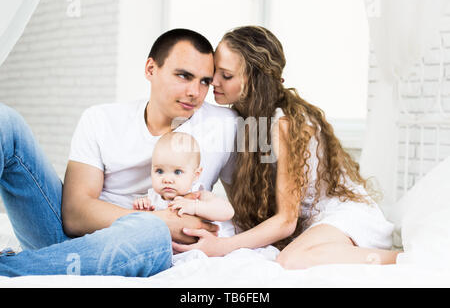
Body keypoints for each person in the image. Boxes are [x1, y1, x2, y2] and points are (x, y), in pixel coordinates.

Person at [0, 28, 237, 276]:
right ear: (150, 69)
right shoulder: (101, 118)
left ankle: (9, 268)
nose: (195, 92)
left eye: (204, 81)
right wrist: (161, 219)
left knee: (151, 234)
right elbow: (74, 214)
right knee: (4, 121)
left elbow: (254, 202)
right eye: (183, 76)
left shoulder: (224, 125)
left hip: (142, 247)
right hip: (65, 238)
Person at [172, 26, 401, 269]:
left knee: (291, 260)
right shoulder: (240, 120)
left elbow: (286, 222)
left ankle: (401, 260)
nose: (214, 81)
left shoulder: (286, 123)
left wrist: (221, 247)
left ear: (255, 80)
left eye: (226, 76)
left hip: (344, 216)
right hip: (313, 222)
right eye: (216, 71)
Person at [132, 131, 234, 228]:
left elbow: (228, 212)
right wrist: (143, 209)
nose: (167, 180)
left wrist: (195, 207)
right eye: (159, 171)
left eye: (177, 172)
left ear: (196, 175)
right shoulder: (152, 199)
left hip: (198, 245)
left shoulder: (198, 195)